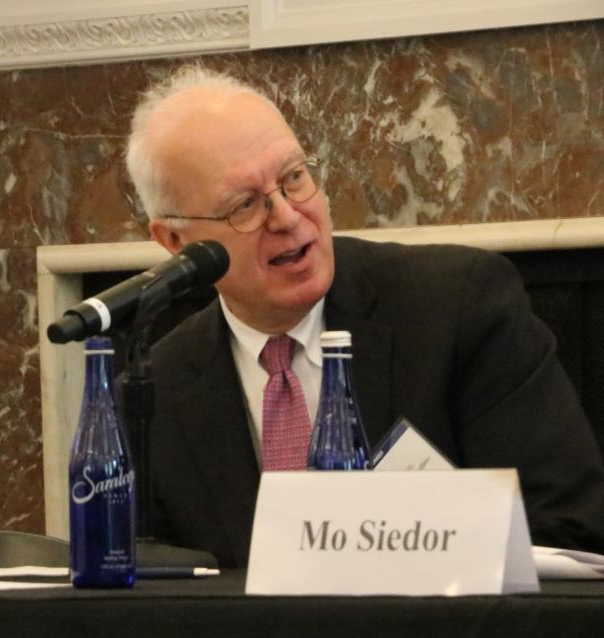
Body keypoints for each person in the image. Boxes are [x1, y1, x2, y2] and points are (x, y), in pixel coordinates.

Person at [124, 65, 604, 567]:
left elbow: (569, 530)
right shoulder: (152, 393)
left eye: (294, 178)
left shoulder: (460, 306)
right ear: (175, 241)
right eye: (244, 205)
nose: (288, 217)